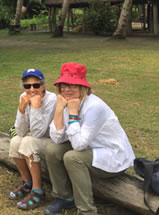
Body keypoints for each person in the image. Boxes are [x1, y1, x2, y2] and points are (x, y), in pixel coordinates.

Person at [44, 63, 135, 215]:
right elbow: (57, 139)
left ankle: (87, 211)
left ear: (82, 87)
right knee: (52, 149)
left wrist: (73, 114)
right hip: (89, 148)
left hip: (112, 155)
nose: (66, 89)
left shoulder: (94, 107)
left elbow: (79, 146)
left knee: (73, 157)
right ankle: (64, 197)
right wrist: (59, 111)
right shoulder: (67, 101)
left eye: (72, 85)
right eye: (63, 85)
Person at [8, 68, 57, 210]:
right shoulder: (23, 96)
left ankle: (38, 191)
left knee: (28, 142)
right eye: (27, 86)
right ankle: (27, 182)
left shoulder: (51, 100)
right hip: (39, 140)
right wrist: (21, 109)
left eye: (36, 85)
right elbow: (20, 131)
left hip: (54, 142)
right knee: (15, 141)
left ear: (43, 86)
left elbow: (37, 133)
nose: (31, 89)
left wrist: (35, 107)